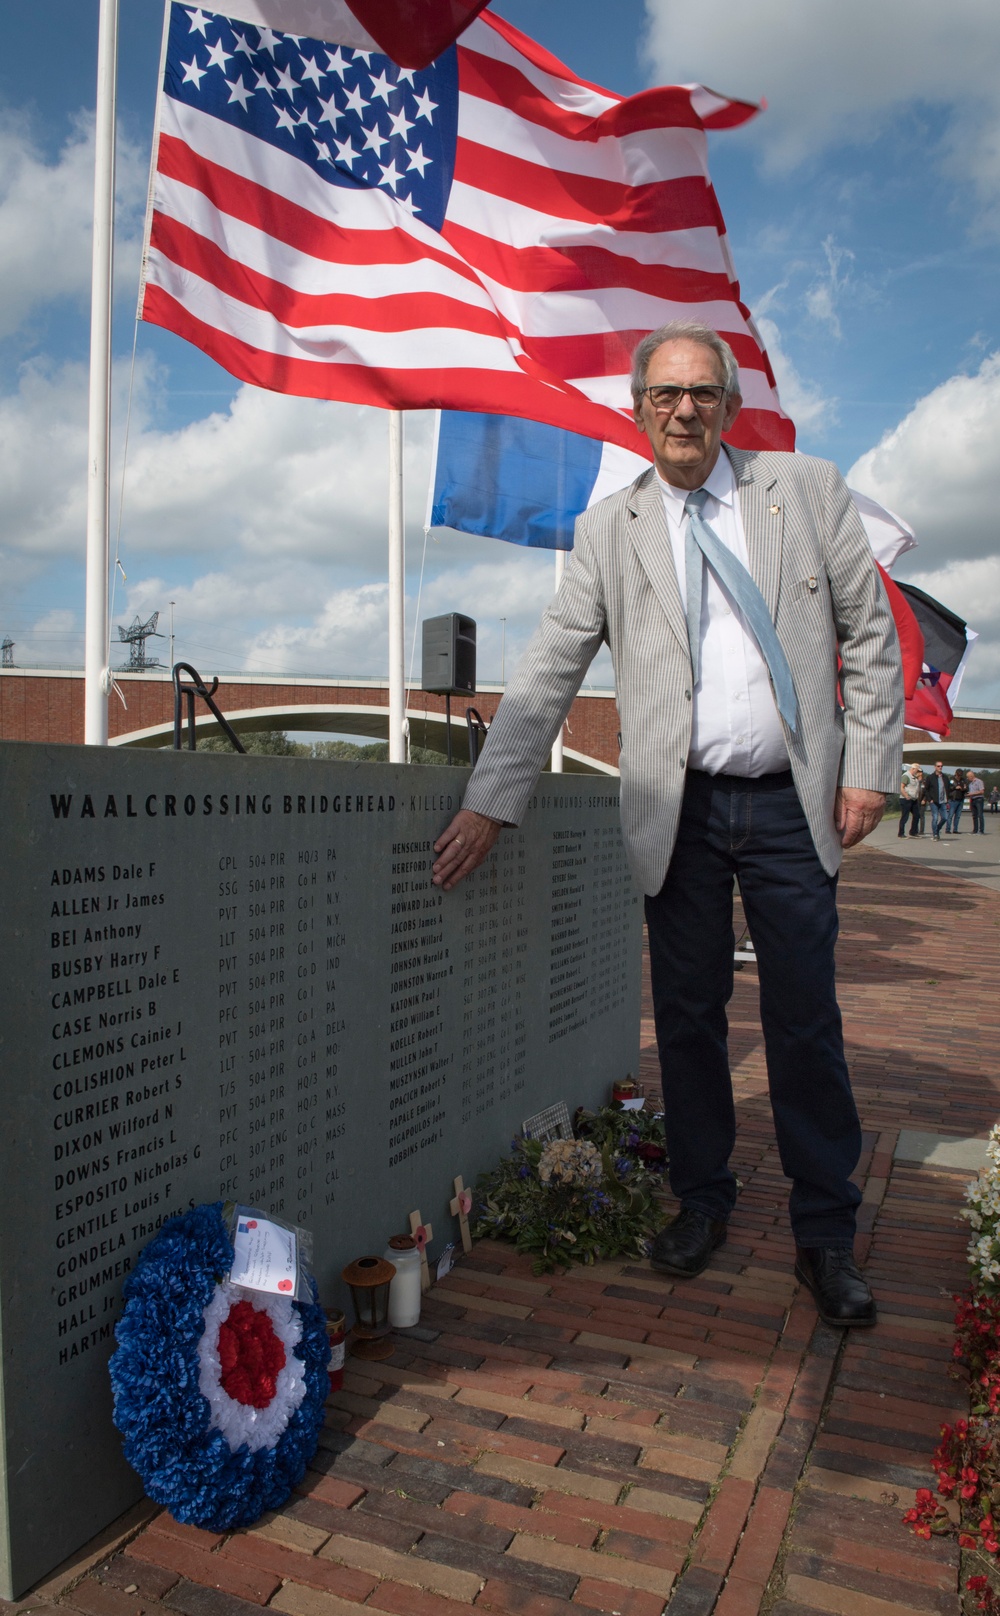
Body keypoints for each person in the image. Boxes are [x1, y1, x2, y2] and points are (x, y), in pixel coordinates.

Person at [432, 321, 903, 1330]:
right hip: (674, 808)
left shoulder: (804, 489)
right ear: (639, 409)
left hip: (788, 805)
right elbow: (553, 663)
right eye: (663, 395)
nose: (683, 410)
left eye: (701, 393)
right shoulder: (612, 528)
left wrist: (868, 767)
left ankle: (826, 1231)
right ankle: (702, 1200)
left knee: (804, 1023)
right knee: (686, 1022)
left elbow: (868, 633)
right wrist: (489, 793)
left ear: (728, 407)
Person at [926, 761, 950, 839]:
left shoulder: (945, 777)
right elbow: (926, 790)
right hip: (934, 801)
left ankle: (937, 829)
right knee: (935, 817)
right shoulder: (930, 777)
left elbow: (948, 788)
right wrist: (930, 799)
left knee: (945, 818)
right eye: (938, 766)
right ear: (935, 767)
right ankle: (935, 834)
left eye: (941, 766)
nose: (940, 767)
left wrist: (948, 798)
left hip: (943, 801)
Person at [898, 765, 921, 838]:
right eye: (917, 770)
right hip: (906, 799)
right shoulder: (906, 776)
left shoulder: (915, 777)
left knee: (917, 815)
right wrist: (906, 796)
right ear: (913, 769)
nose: (918, 772)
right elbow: (901, 787)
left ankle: (913, 831)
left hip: (914, 799)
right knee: (905, 816)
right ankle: (901, 833)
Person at [947, 767, 967, 833]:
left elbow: (966, 788)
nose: (959, 776)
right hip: (953, 799)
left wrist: (963, 789)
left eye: (960, 775)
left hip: (960, 799)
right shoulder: (951, 780)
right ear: (956, 774)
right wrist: (955, 787)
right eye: (958, 775)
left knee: (958, 816)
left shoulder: (963, 780)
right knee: (950, 815)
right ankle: (948, 829)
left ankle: (955, 829)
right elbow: (948, 788)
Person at [967, 769, 985, 834]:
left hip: (979, 799)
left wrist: (972, 793)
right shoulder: (970, 784)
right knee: (974, 815)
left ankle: (981, 830)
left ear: (971, 776)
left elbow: (982, 791)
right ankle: (975, 830)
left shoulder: (979, 781)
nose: (967, 778)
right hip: (973, 799)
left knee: (980, 815)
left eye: (968, 777)